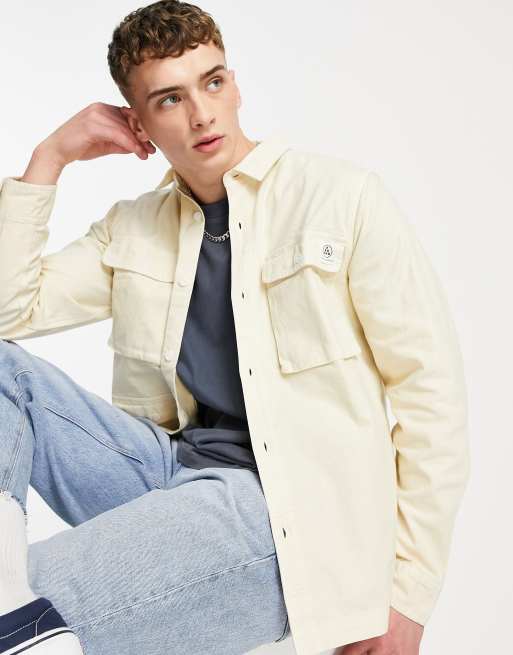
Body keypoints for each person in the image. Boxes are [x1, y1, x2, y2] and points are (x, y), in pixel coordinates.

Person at [0, 1, 471, 654]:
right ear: (138, 123)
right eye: (170, 99)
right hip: (168, 474)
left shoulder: (340, 199)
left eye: (212, 82)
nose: (202, 114)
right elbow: (9, 309)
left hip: (282, 511)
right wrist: (49, 158)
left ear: (235, 84)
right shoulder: (134, 227)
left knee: (36, 605)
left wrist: (406, 597)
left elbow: (431, 398)